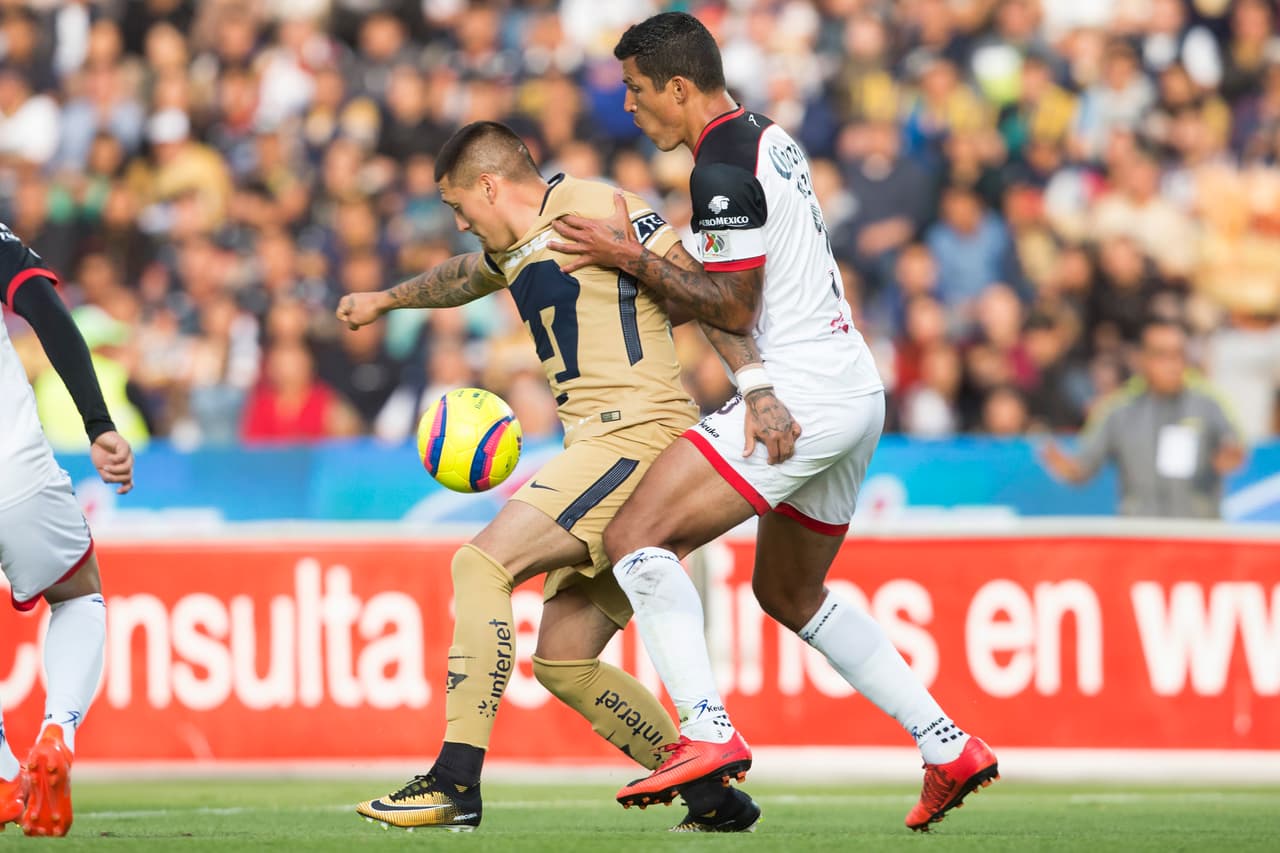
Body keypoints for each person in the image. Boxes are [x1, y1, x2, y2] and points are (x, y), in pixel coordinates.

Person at [550, 12, 998, 832]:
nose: (628, 108)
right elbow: (737, 288)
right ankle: (947, 744)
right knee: (789, 590)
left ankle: (706, 731)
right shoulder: (765, 137)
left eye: (636, 90)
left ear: (678, 87)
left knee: (635, 537)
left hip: (806, 397)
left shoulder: (721, 164)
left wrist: (627, 257)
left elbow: (730, 302)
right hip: (850, 388)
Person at [336, 121, 779, 833]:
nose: (458, 221)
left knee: (480, 565)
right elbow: (462, 277)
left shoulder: (600, 207)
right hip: (604, 445)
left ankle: (454, 782)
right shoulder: (508, 244)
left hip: (636, 435)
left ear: (489, 184)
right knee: (565, 660)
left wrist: (755, 386)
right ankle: (713, 797)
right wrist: (386, 300)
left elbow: (704, 293)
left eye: (458, 205)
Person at [0, 222, 134, 837]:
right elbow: (45, 309)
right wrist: (98, 423)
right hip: (15, 471)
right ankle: (58, 730)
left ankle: (4, 777)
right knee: (79, 594)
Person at [1042, 319, 1245, 518]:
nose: (1172, 365)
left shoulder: (1208, 403)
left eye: (1178, 355)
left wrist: (1231, 456)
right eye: (1162, 355)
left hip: (1195, 535)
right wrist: (1066, 467)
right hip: (1142, 535)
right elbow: (1085, 466)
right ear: (1142, 359)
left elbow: (1233, 447)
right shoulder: (1119, 410)